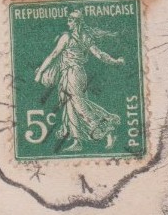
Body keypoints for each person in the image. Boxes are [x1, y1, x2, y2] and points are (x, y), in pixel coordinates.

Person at [34, 9, 125, 153]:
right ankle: (77, 141)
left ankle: (107, 130)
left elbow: (53, 55)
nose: (68, 23)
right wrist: (115, 61)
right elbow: (100, 55)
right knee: (70, 106)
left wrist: (40, 72)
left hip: (73, 74)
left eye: (70, 20)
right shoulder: (85, 37)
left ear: (76, 22)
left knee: (78, 104)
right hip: (75, 74)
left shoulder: (67, 37)